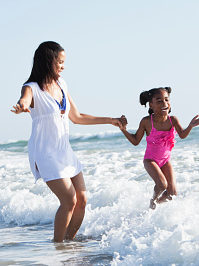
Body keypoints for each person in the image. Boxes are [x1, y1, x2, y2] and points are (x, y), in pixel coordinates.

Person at [11, 41, 124, 242]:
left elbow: (77, 116)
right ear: (48, 62)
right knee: (69, 200)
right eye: (60, 62)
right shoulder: (32, 88)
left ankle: (68, 243)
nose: (63, 66)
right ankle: (58, 246)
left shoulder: (62, 85)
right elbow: (25, 99)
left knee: (82, 199)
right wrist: (22, 106)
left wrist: (110, 120)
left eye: (64, 62)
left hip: (64, 151)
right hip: (45, 154)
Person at [119, 87, 199, 209]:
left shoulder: (172, 120)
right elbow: (136, 141)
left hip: (165, 161)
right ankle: (152, 201)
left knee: (172, 194)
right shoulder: (146, 122)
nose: (164, 103)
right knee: (161, 184)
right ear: (151, 105)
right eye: (159, 101)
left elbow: (182, 135)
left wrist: (190, 126)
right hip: (150, 160)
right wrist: (124, 130)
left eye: (166, 100)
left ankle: (155, 206)